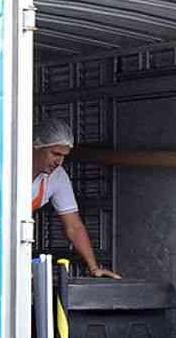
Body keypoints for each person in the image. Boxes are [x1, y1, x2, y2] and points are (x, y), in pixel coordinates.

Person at [32, 117, 119, 279]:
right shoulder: (8, 167)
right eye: (55, 154)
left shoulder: (57, 177)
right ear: (36, 146)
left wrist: (94, 268)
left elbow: (74, 226)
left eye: (64, 156)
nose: (59, 161)